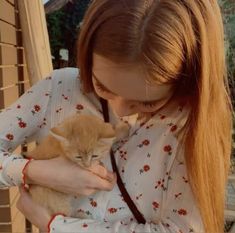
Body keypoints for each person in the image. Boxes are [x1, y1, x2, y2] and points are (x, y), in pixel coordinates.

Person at [0, 0, 233, 232]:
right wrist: (37, 171)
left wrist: (55, 225)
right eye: (102, 87)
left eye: (147, 102)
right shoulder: (60, 90)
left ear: (183, 83)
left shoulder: (190, 127)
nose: (120, 111)